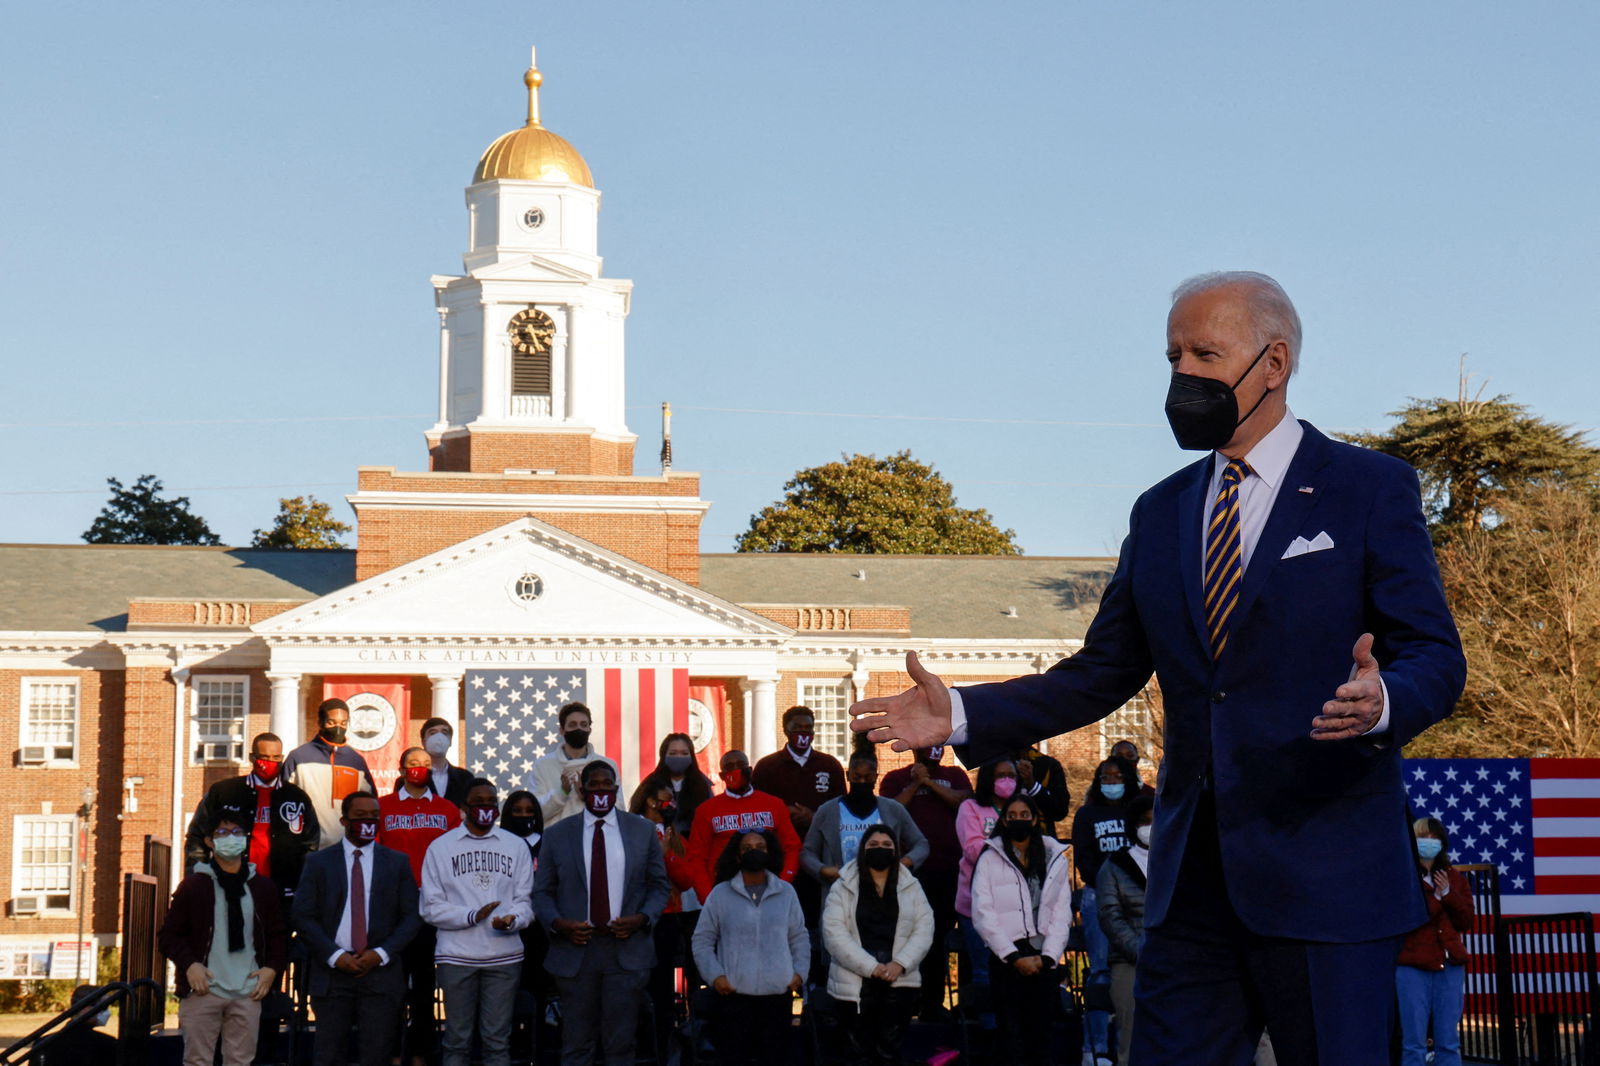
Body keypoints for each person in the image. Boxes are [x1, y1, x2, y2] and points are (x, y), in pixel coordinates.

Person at [851, 271, 1467, 1065]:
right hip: (1188, 891)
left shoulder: (1368, 488)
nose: (1184, 375)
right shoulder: (1162, 510)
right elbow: (1102, 672)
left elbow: (1436, 657)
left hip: (1326, 877)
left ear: (1274, 363)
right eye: (1173, 354)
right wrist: (963, 714)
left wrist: (1385, 701)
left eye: (1206, 353)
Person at [532, 761, 669, 1066]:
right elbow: (542, 893)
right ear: (582, 790)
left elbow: (659, 886)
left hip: (626, 950)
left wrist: (644, 918)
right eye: (593, 785)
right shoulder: (557, 835)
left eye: (606, 785)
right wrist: (558, 923)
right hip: (577, 951)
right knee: (577, 1045)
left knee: (621, 1045)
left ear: (616, 789)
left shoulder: (642, 830)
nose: (600, 791)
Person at [292, 791, 420, 1066]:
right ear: (344, 820)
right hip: (332, 974)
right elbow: (303, 916)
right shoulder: (318, 862)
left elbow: (411, 917)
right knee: (329, 1054)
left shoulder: (397, 862)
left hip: (381, 975)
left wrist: (382, 953)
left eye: (374, 817)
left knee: (377, 1054)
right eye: (361, 817)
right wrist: (336, 956)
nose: (368, 823)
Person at [421, 778, 537, 1066]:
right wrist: (471, 916)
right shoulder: (440, 847)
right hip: (456, 956)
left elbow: (527, 902)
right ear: (464, 808)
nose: (486, 808)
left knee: (497, 1042)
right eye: (479, 803)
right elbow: (429, 908)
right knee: (457, 1041)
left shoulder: (516, 846)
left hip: (504, 956)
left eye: (491, 802)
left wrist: (513, 920)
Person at [160, 805, 287, 1066]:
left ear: (246, 837)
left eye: (237, 831)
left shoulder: (262, 887)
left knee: (240, 1061)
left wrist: (272, 969)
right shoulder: (195, 886)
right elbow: (169, 936)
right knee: (197, 1061)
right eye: (222, 832)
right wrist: (190, 965)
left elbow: (278, 935)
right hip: (204, 989)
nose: (231, 837)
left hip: (248, 991)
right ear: (209, 841)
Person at [691, 829, 809, 1066]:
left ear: (769, 853)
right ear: (737, 856)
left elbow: (799, 936)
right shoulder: (720, 894)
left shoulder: (786, 892)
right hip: (733, 996)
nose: (753, 851)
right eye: (747, 848)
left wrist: (799, 973)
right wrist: (716, 976)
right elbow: (702, 940)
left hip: (777, 995)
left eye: (760, 847)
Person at [970, 796, 1072, 1066]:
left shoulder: (1054, 858)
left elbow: (1062, 912)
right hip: (1007, 960)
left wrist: (1048, 957)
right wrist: (1013, 956)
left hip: (1044, 958)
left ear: (1035, 819)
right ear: (1004, 821)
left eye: (1024, 814)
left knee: (1042, 1037)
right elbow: (983, 913)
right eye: (1012, 815)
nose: (1018, 819)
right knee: (1010, 1037)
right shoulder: (989, 859)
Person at [821, 825, 934, 1066]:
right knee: (858, 1055)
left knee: (890, 1054)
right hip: (855, 983)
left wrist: (900, 964)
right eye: (873, 845)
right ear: (862, 850)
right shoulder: (842, 885)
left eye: (886, 846)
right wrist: (870, 967)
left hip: (899, 980)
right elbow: (834, 933)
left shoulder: (911, 885)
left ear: (896, 851)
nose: (880, 849)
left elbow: (924, 928)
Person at [379, 746, 462, 1066]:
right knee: (392, 985)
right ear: (401, 770)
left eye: (426, 765)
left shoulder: (447, 810)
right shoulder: (382, 807)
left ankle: (423, 1052)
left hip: (434, 907)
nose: (419, 770)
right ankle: (392, 1052)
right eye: (413, 764)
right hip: (394, 909)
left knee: (425, 984)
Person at [879, 744, 971, 1017]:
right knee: (918, 939)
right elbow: (889, 812)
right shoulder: (896, 778)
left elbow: (964, 802)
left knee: (952, 937)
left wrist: (928, 782)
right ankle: (917, 1002)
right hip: (913, 873)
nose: (935, 750)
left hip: (953, 871)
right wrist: (914, 784)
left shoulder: (955, 774)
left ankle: (952, 1003)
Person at [185, 732, 319, 900]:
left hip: (282, 891)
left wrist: (304, 885)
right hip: (232, 887)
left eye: (276, 758)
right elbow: (197, 836)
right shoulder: (224, 792)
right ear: (252, 757)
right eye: (264, 757)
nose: (270, 763)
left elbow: (311, 845)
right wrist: (197, 877)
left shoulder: (296, 797)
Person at [753, 706, 847, 935]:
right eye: (797, 728)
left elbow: (841, 809)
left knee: (817, 920)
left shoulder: (830, 765)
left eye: (808, 728)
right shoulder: (767, 767)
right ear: (786, 730)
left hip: (819, 853)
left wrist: (813, 817)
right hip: (780, 855)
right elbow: (756, 809)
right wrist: (784, 814)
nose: (803, 733)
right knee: (782, 917)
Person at [1071, 755, 1139, 1066]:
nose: (1111, 782)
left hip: (1138, 900)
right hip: (1098, 895)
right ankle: (1095, 1049)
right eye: (1105, 777)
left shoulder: (1137, 812)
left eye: (1116, 776)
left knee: (1137, 970)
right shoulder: (1087, 814)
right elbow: (1083, 857)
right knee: (1099, 972)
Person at [802, 750, 929, 906]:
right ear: (848, 775)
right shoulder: (827, 811)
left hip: (884, 897)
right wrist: (822, 869)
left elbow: (921, 844)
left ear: (876, 777)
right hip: (840, 896)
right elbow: (807, 852)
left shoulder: (893, 810)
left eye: (868, 778)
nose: (862, 782)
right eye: (857, 777)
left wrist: (904, 863)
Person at [1396, 817, 1473, 1066]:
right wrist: (1436, 897)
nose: (1428, 843)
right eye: (1422, 837)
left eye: (1433, 838)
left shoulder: (1454, 878)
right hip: (1413, 966)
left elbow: (1466, 920)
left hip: (1450, 965)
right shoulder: (1403, 877)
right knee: (1414, 1042)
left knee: (1448, 1041)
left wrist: (1448, 895)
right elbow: (1405, 917)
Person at [631, 778, 697, 1060]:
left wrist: (668, 856)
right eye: (665, 798)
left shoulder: (676, 836)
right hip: (637, 920)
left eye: (673, 799)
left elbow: (686, 879)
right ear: (649, 801)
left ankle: (663, 1047)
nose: (670, 804)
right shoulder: (632, 830)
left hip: (669, 919)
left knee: (663, 992)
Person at [685, 749, 803, 902]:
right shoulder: (706, 811)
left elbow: (792, 846)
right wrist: (708, 897)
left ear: (750, 770)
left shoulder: (774, 805)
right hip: (723, 891)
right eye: (729, 766)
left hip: (769, 888)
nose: (736, 770)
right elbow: (696, 858)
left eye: (740, 765)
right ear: (722, 776)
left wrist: (783, 881)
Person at [954, 757, 1018, 1017]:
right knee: (983, 971)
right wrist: (1011, 848)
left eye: (1012, 776)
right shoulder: (970, 808)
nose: (1006, 781)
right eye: (1001, 775)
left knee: (1012, 971)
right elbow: (972, 849)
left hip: (1014, 907)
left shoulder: (1021, 808)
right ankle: (987, 1032)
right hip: (975, 905)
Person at [1098, 793, 1154, 1066]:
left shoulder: (1176, 861)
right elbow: (1110, 916)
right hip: (1129, 962)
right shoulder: (1114, 866)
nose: (1150, 828)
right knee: (1131, 1042)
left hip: (1172, 962)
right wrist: (1140, 950)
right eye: (1145, 822)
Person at [284, 698, 377, 850]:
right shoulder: (298, 757)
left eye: (343, 723)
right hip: (308, 848)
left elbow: (370, 803)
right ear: (320, 723)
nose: (338, 728)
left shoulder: (356, 761)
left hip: (348, 848)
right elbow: (283, 801)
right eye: (331, 722)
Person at [500, 790, 549, 1063]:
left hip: (540, 931)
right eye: (517, 811)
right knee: (507, 990)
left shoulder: (547, 843)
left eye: (529, 811)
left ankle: (538, 1044)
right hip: (506, 927)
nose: (523, 816)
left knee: (537, 989)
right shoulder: (500, 843)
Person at [526, 702, 620, 826]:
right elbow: (533, 813)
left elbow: (620, 811)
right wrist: (562, 792)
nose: (579, 729)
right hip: (556, 840)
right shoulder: (543, 766)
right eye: (572, 725)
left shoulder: (607, 766)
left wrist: (588, 796)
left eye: (583, 725)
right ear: (562, 730)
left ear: (589, 730)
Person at [630, 731, 716, 834]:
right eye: (673, 753)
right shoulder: (650, 784)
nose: (679, 757)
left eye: (684, 753)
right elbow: (635, 819)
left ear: (691, 756)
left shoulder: (703, 786)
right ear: (663, 755)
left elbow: (712, 820)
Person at [34, 985, 116, 1063]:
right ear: (86, 1009)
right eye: (104, 1007)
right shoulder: (106, 1044)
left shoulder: (43, 1043)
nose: (108, 1013)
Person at [1015, 745, 1071, 836]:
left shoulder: (1048, 765)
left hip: (1043, 840)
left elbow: (1060, 811)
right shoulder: (998, 763)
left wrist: (1032, 786)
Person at [420, 716, 475, 806]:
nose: (439, 737)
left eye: (444, 733)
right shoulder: (411, 778)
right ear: (423, 741)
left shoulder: (465, 777)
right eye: (433, 733)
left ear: (450, 741)